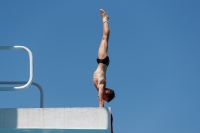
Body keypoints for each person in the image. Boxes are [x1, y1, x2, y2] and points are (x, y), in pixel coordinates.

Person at [93, 9, 115, 107]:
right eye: (107, 99)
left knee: (105, 38)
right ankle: (105, 19)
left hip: (102, 62)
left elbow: (100, 98)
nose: (105, 100)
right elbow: (100, 101)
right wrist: (101, 113)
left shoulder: (101, 87)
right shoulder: (102, 85)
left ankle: (105, 19)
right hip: (102, 61)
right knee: (104, 38)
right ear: (106, 94)